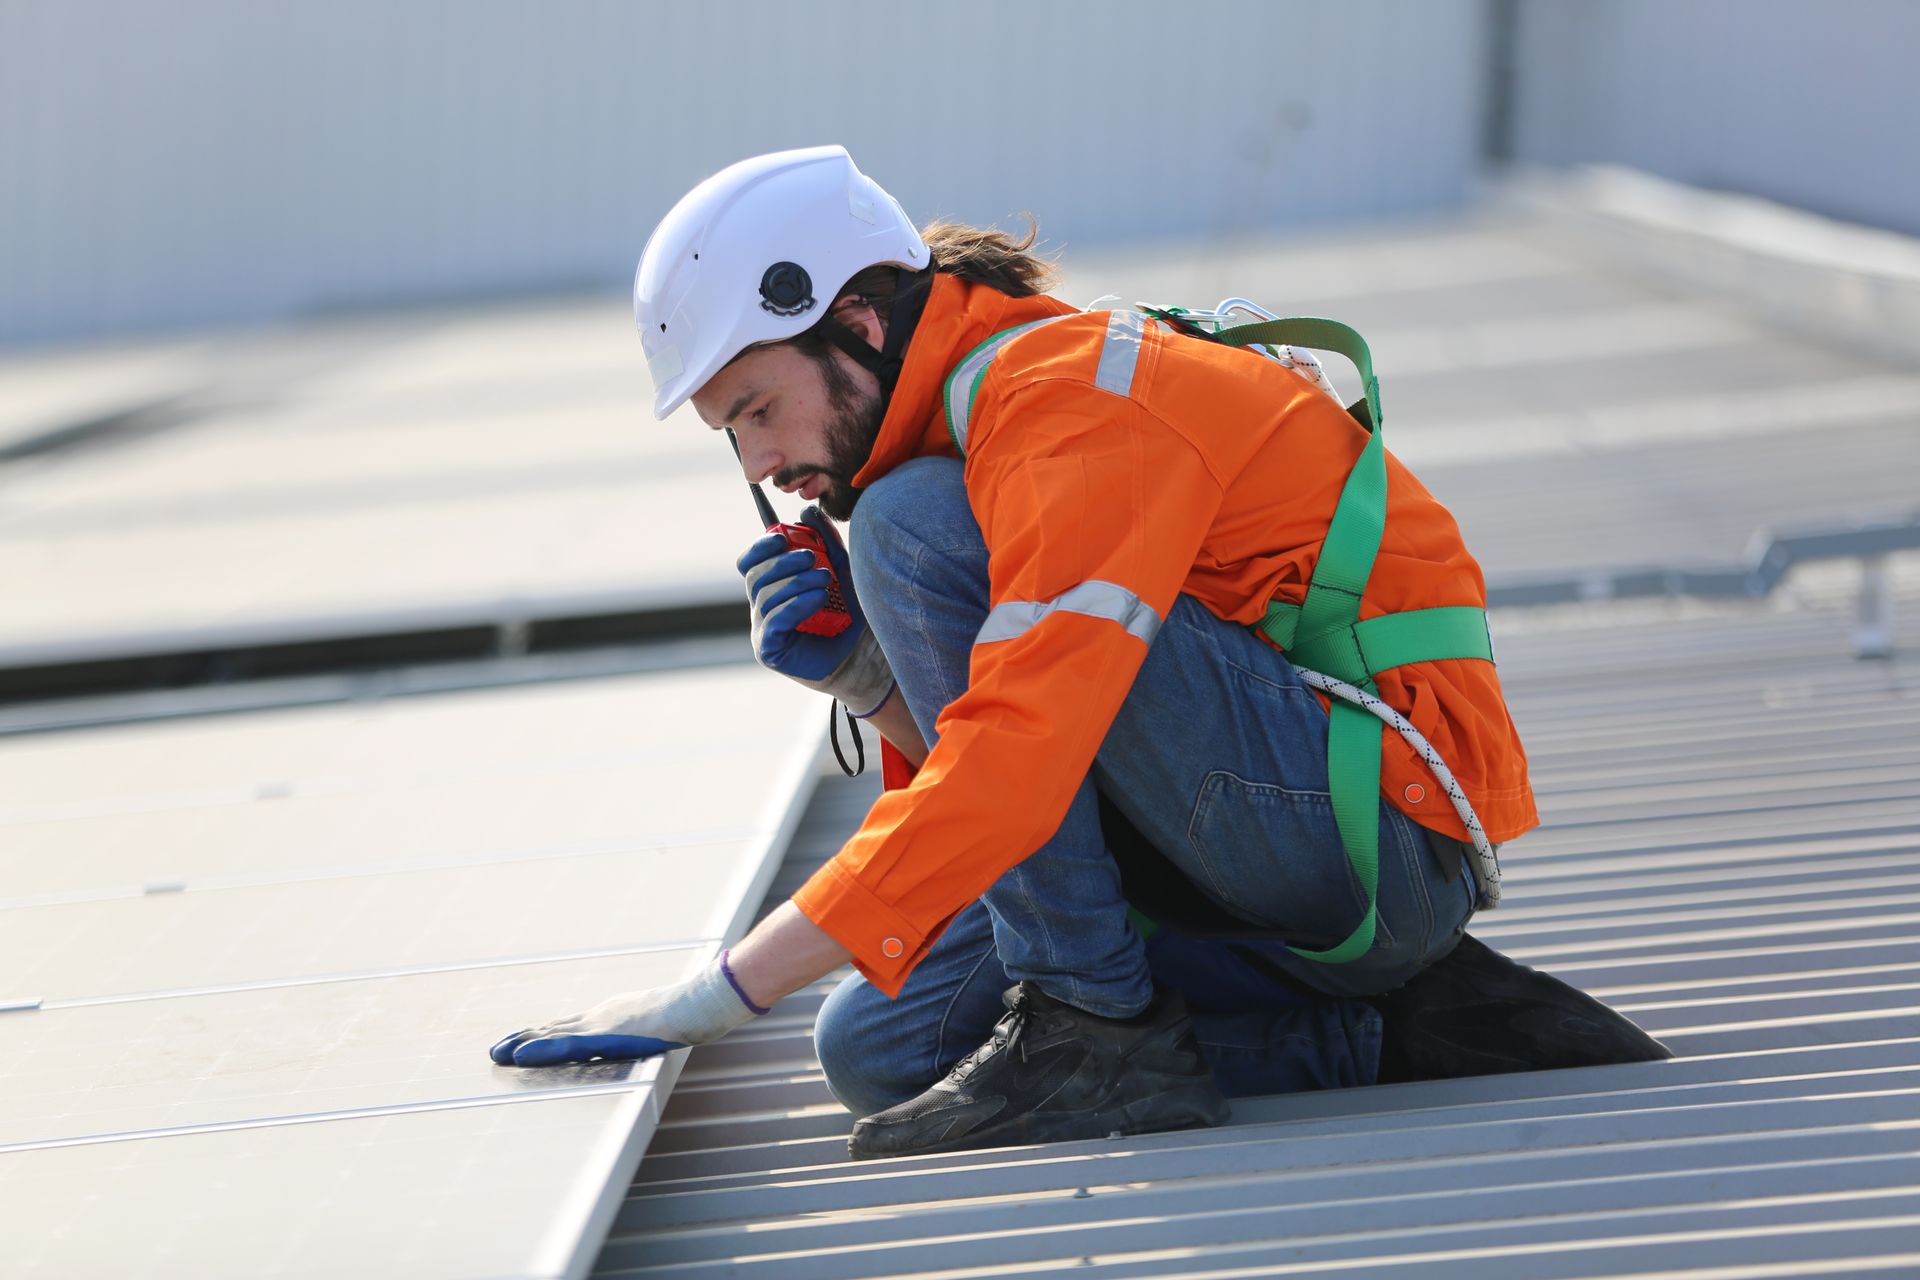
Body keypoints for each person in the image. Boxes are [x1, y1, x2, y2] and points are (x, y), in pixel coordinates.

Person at [489, 145, 1668, 1160]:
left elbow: (1024, 749)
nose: (758, 465)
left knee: (909, 528)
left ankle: (1099, 1028)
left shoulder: (1065, 401)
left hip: (1380, 833)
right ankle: (1387, 1029)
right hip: (1251, 832)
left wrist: (718, 989)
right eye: (730, 435)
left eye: (755, 408)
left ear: (854, 322)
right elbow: (1038, 785)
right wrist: (872, 678)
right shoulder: (972, 433)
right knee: (875, 1045)